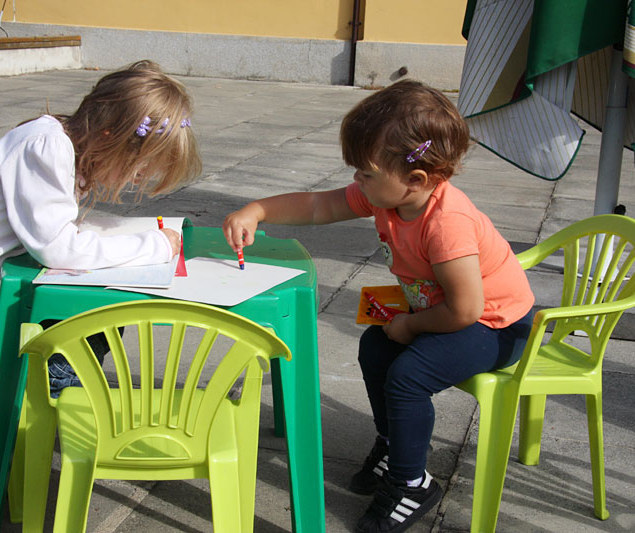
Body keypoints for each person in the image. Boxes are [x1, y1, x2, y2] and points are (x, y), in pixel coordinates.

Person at [222, 79, 534, 533]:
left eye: (365, 173)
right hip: (449, 312)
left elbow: (467, 309)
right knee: (374, 347)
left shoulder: (448, 224)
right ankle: (394, 442)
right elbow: (316, 206)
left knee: (408, 376)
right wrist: (258, 210)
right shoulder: (387, 197)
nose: (356, 183)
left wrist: (410, 327)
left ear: (416, 180)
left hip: (496, 325)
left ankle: (412, 483)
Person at [0, 60, 201, 489]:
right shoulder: (45, 146)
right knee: (68, 342)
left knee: (93, 330)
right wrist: (151, 244)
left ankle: (15, 419)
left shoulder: (63, 144)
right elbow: (57, 247)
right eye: (138, 169)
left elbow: (53, 233)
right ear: (109, 137)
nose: (136, 180)